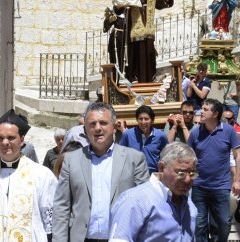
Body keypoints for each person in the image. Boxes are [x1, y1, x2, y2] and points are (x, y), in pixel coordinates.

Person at [52, 101, 149, 242]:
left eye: (103, 123)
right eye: (92, 124)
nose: (97, 128)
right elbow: (62, 207)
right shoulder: (71, 161)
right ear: (85, 130)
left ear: (115, 127)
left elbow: (144, 204)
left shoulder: (134, 159)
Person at [0, 109, 57, 242]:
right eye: (0, 138)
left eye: (10, 137)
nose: (5, 143)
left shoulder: (42, 175)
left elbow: (51, 221)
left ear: (21, 140)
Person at [109, 142, 198, 242]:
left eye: (192, 174)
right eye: (181, 173)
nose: (187, 180)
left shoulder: (190, 205)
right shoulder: (135, 201)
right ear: (161, 167)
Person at [108, 0, 175, 83]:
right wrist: (123, 5)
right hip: (133, 24)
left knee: (148, 52)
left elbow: (159, 2)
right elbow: (120, 0)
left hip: (147, 25)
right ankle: (134, 78)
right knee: (134, 53)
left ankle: (149, 80)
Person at [188, 99, 240, 242]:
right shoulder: (195, 133)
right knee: (199, 224)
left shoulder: (229, 131)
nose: (201, 112)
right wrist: (191, 178)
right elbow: (189, 157)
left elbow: (238, 156)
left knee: (224, 222)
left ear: (216, 113)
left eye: (205, 109)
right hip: (199, 186)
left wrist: (237, 180)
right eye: (202, 109)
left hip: (221, 186)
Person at [119, 105, 169, 173]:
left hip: (153, 174)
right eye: (140, 119)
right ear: (137, 120)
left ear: (152, 120)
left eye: (146, 119)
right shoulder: (128, 135)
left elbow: (166, 155)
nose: (143, 122)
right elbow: (120, 154)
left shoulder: (160, 136)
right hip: (133, 174)